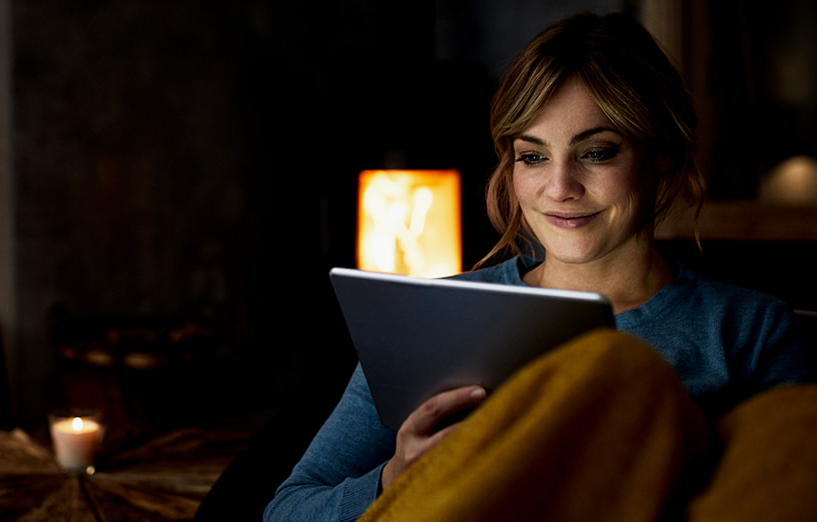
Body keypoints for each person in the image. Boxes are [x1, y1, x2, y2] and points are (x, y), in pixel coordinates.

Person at [264, 12, 816, 522]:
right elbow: (288, 510)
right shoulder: (431, 316)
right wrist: (394, 478)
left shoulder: (752, 330)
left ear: (662, 158)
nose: (560, 188)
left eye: (597, 152)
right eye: (533, 156)